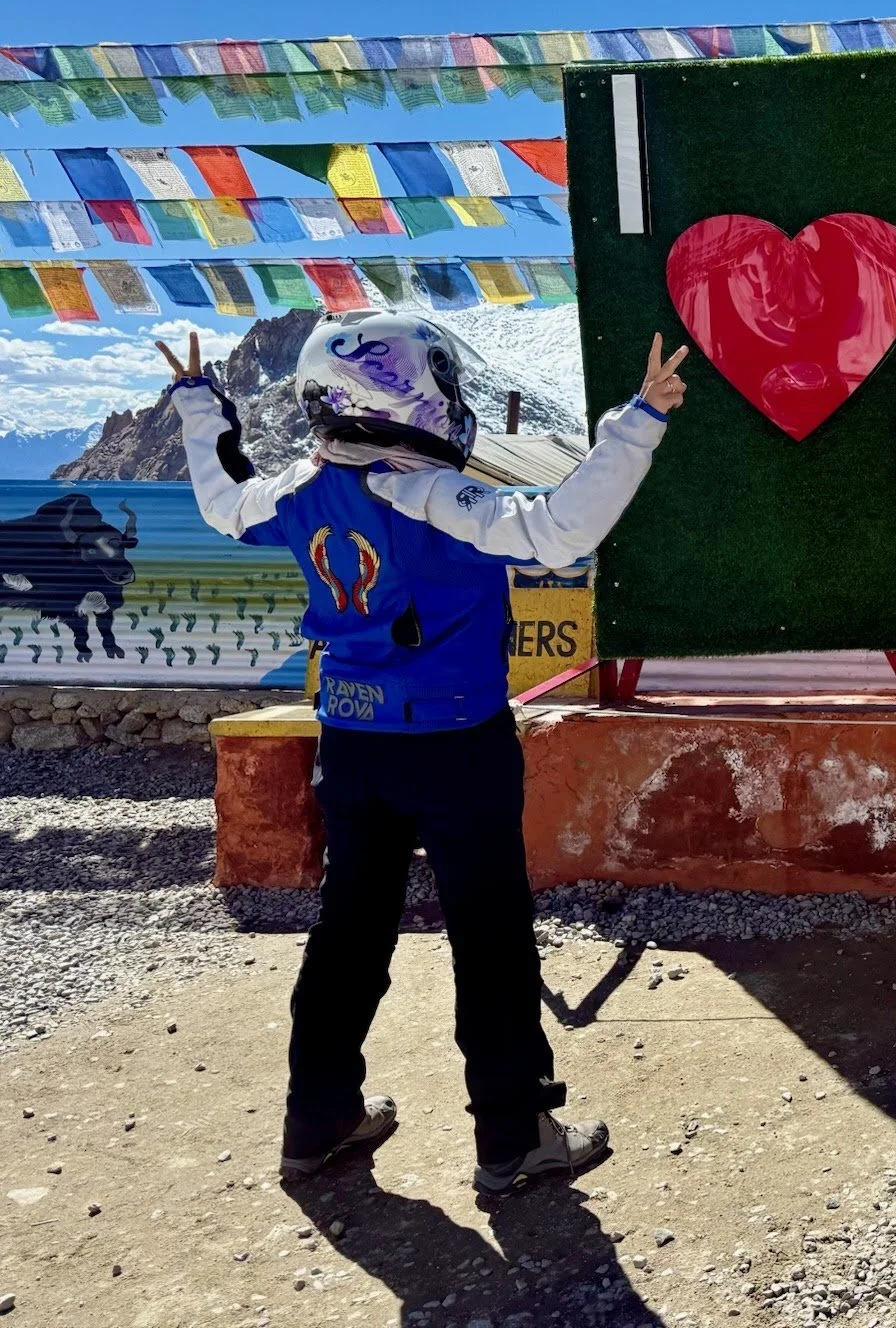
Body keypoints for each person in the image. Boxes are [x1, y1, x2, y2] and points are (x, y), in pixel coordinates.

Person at [159, 312, 688, 1193]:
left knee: (348, 931)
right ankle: (513, 1140)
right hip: (455, 744)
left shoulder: (299, 488)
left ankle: (317, 1120)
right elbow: (559, 530)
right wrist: (639, 421)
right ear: (407, 393)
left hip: (352, 739)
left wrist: (197, 406)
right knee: (490, 939)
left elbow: (221, 504)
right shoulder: (426, 489)